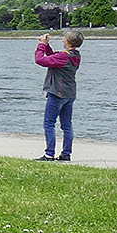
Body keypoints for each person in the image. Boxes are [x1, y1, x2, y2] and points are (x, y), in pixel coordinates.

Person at [35, 29, 83, 160]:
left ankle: (49, 154)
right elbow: (53, 57)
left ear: (68, 41)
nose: (62, 40)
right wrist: (47, 45)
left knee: (49, 123)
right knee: (67, 125)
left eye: (64, 38)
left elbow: (40, 60)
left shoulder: (64, 57)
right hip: (69, 94)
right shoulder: (75, 56)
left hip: (57, 93)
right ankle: (66, 154)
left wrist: (41, 46)